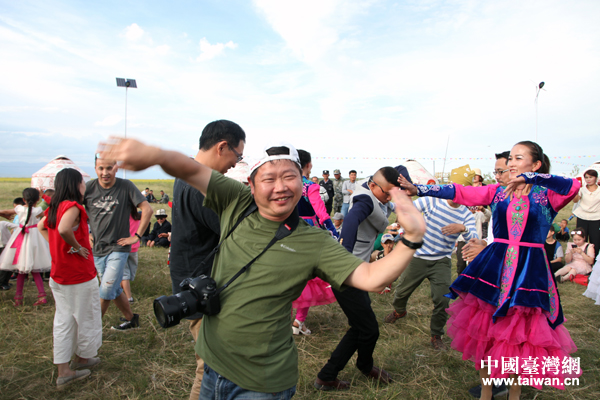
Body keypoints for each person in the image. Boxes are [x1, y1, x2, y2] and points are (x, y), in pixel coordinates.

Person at [97, 137, 426, 400]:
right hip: (211, 364)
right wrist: (153, 154)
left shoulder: (314, 241)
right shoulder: (236, 202)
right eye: (269, 178)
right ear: (252, 186)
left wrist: (411, 238)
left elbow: (370, 278)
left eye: (289, 177)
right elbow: (190, 169)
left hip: (262, 384)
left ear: (302, 183)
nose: (280, 186)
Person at [399, 141, 582, 399]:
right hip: (495, 267)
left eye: (518, 158)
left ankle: (514, 393)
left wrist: (532, 178)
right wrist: (419, 189)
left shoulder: (547, 194)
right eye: (511, 159)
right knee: (487, 331)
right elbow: (460, 192)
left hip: (530, 272)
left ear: (536, 164)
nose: (512, 163)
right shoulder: (498, 192)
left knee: (521, 334)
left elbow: (573, 186)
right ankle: (487, 392)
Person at [169, 119, 245, 400]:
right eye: (237, 155)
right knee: (211, 366)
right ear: (222, 147)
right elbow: (236, 234)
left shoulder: (188, 173)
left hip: (192, 279)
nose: (235, 164)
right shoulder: (204, 186)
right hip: (202, 287)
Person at [315, 167, 402, 391]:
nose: (389, 197)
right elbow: (353, 219)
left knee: (361, 325)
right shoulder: (364, 199)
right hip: (347, 272)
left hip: (358, 271)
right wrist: (346, 253)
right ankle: (357, 368)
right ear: (373, 186)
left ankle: (331, 374)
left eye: (394, 193)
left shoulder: (377, 189)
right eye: (387, 193)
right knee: (369, 329)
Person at [384, 180, 477, 351]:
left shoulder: (466, 214)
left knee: (443, 299)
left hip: (441, 261)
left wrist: (462, 228)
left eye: (461, 190)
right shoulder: (432, 200)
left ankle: (436, 335)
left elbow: (474, 237)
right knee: (401, 293)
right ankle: (399, 311)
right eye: (453, 188)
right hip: (417, 257)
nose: (455, 193)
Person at [37, 168, 102, 388]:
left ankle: (67, 366)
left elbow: (41, 227)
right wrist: (76, 247)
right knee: (86, 318)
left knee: (64, 320)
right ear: (75, 184)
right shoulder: (73, 207)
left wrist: (58, 248)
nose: (84, 185)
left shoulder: (55, 207)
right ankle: (79, 360)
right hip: (78, 275)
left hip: (59, 275)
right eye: (82, 182)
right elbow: (65, 229)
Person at [84, 153, 152, 330]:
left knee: (107, 288)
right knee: (113, 287)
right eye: (101, 168)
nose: (105, 172)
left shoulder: (126, 186)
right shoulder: (88, 188)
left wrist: (137, 236)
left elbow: (147, 209)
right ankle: (131, 319)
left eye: (109, 168)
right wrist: (86, 232)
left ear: (116, 168)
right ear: (95, 169)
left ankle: (92, 329)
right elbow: (75, 211)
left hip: (119, 247)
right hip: (98, 248)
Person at [292, 150, 340, 336]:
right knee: (309, 275)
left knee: (288, 274)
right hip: (307, 232)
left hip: (286, 230)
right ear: (308, 165)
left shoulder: (285, 184)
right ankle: (299, 321)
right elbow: (321, 212)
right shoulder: (309, 186)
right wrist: (333, 231)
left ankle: (283, 319)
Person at [0, 188, 51, 306]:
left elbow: (6, 211)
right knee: (34, 269)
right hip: (35, 239)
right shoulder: (38, 210)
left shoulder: (19, 208)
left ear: (23, 199)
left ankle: (18, 297)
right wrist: (45, 197)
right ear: (37, 199)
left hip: (21, 237)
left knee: (21, 269)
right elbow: (51, 210)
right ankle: (42, 295)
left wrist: (2, 214)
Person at [572, 169, 600, 261]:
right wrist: (575, 191)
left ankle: (593, 261)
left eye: (591, 177)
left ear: (596, 178)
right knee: (580, 239)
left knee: (595, 241)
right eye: (586, 177)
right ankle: (579, 260)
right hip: (582, 216)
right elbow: (575, 200)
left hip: (596, 218)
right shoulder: (582, 189)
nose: (588, 179)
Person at [122, 207, 141, 303]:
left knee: (125, 274)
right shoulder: (138, 217)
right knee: (130, 272)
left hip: (124, 246)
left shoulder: (122, 217)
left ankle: (128, 298)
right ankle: (126, 293)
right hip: (135, 247)